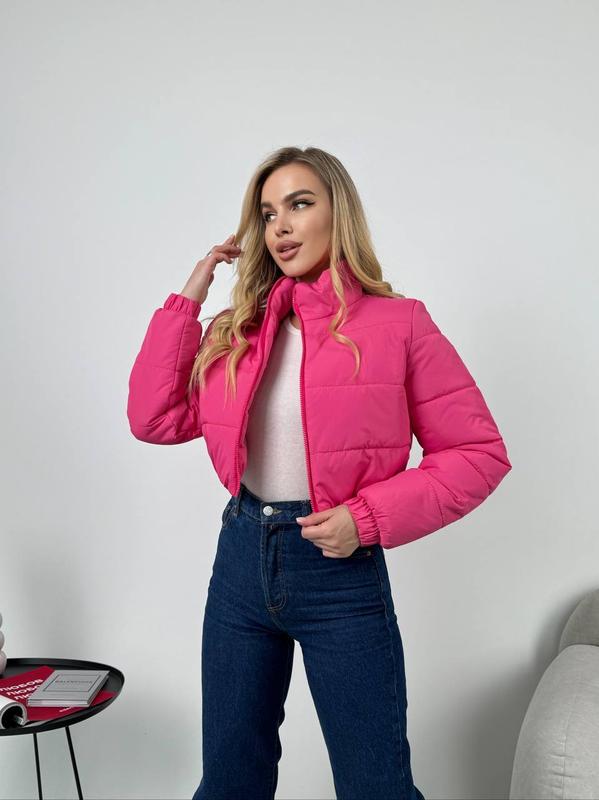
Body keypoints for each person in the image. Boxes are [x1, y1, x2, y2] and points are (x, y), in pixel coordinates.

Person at [127, 146, 512, 800]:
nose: (279, 226)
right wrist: (188, 298)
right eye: (267, 213)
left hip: (340, 573)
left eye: (299, 204)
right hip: (240, 565)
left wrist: (366, 519)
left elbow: (477, 453)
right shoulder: (238, 331)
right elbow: (153, 417)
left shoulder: (399, 324)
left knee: (375, 786)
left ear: (339, 212)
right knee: (228, 782)